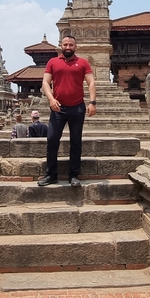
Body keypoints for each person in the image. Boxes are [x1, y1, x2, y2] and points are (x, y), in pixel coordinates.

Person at [38, 35, 96, 187]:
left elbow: (91, 82)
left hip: (77, 107)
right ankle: (51, 174)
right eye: (65, 44)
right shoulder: (53, 62)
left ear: (75, 47)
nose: (68, 47)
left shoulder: (83, 63)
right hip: (58, 108)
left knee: (76, 141)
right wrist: (51, 99)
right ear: (61, 46)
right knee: (52, 140)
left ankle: (74, 175)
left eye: (71, 45)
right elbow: (45, 82)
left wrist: (92, 102)